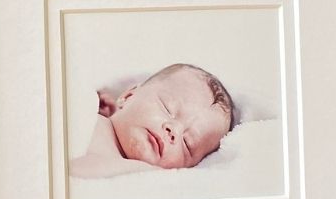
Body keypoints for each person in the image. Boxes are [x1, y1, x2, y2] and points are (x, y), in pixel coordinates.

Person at [69, 63, 235, 178]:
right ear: (128, 96)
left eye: (187, 143)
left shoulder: (148, 179)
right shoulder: (89, 112)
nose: (173, 131)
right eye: (167, 109)